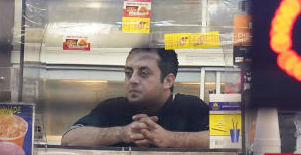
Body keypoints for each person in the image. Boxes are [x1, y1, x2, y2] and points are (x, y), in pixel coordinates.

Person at [60, 47, 209, 148]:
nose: (132, 80)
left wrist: (170, 139)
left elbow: (224, 139)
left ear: (168, 81)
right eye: (128, 72)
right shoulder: (113, 108)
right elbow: (69, 138)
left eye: (143, 73)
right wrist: (121, 133)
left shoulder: (189, 107)